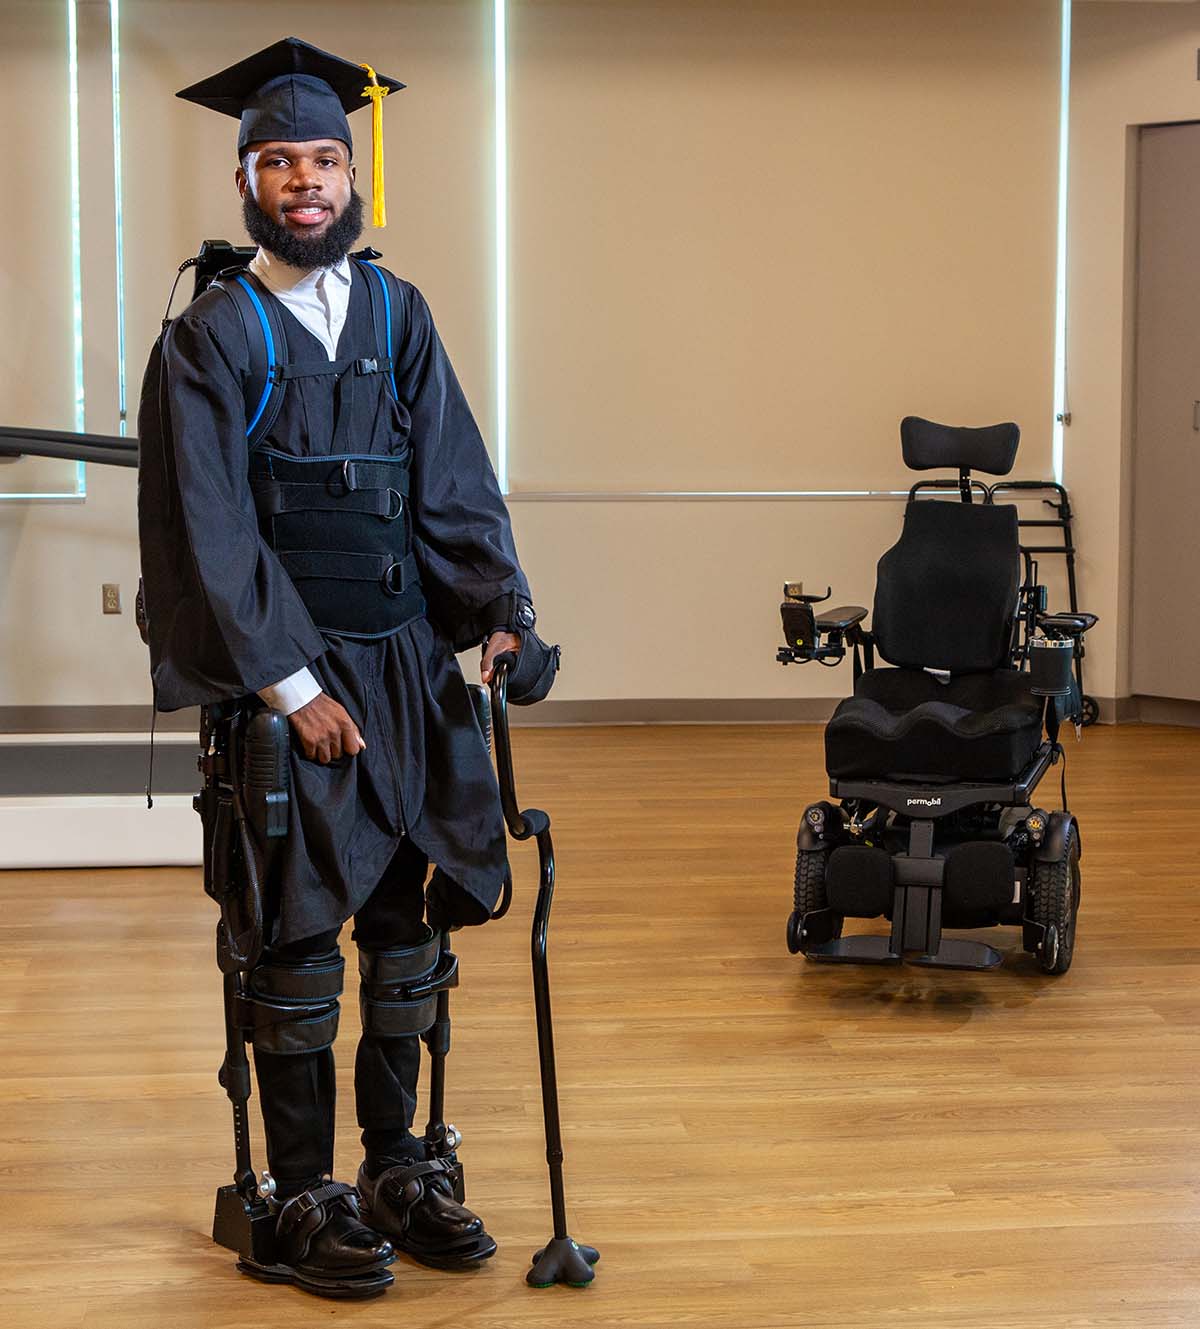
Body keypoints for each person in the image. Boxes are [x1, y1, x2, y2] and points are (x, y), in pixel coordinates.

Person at [137, 36, 557, 1299]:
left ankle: (400, 1169)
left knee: (406, 934)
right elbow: (209, 531)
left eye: (325, 159)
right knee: (300, 949)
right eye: (281, 162)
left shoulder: (396, 311)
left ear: (353, 170)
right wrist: (291, 688)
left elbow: (453, 483)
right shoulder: (214, 337)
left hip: (412, 677)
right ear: (246, 180)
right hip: (299, 692)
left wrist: (499, 616)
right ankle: (310, 1190)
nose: (307, 182)